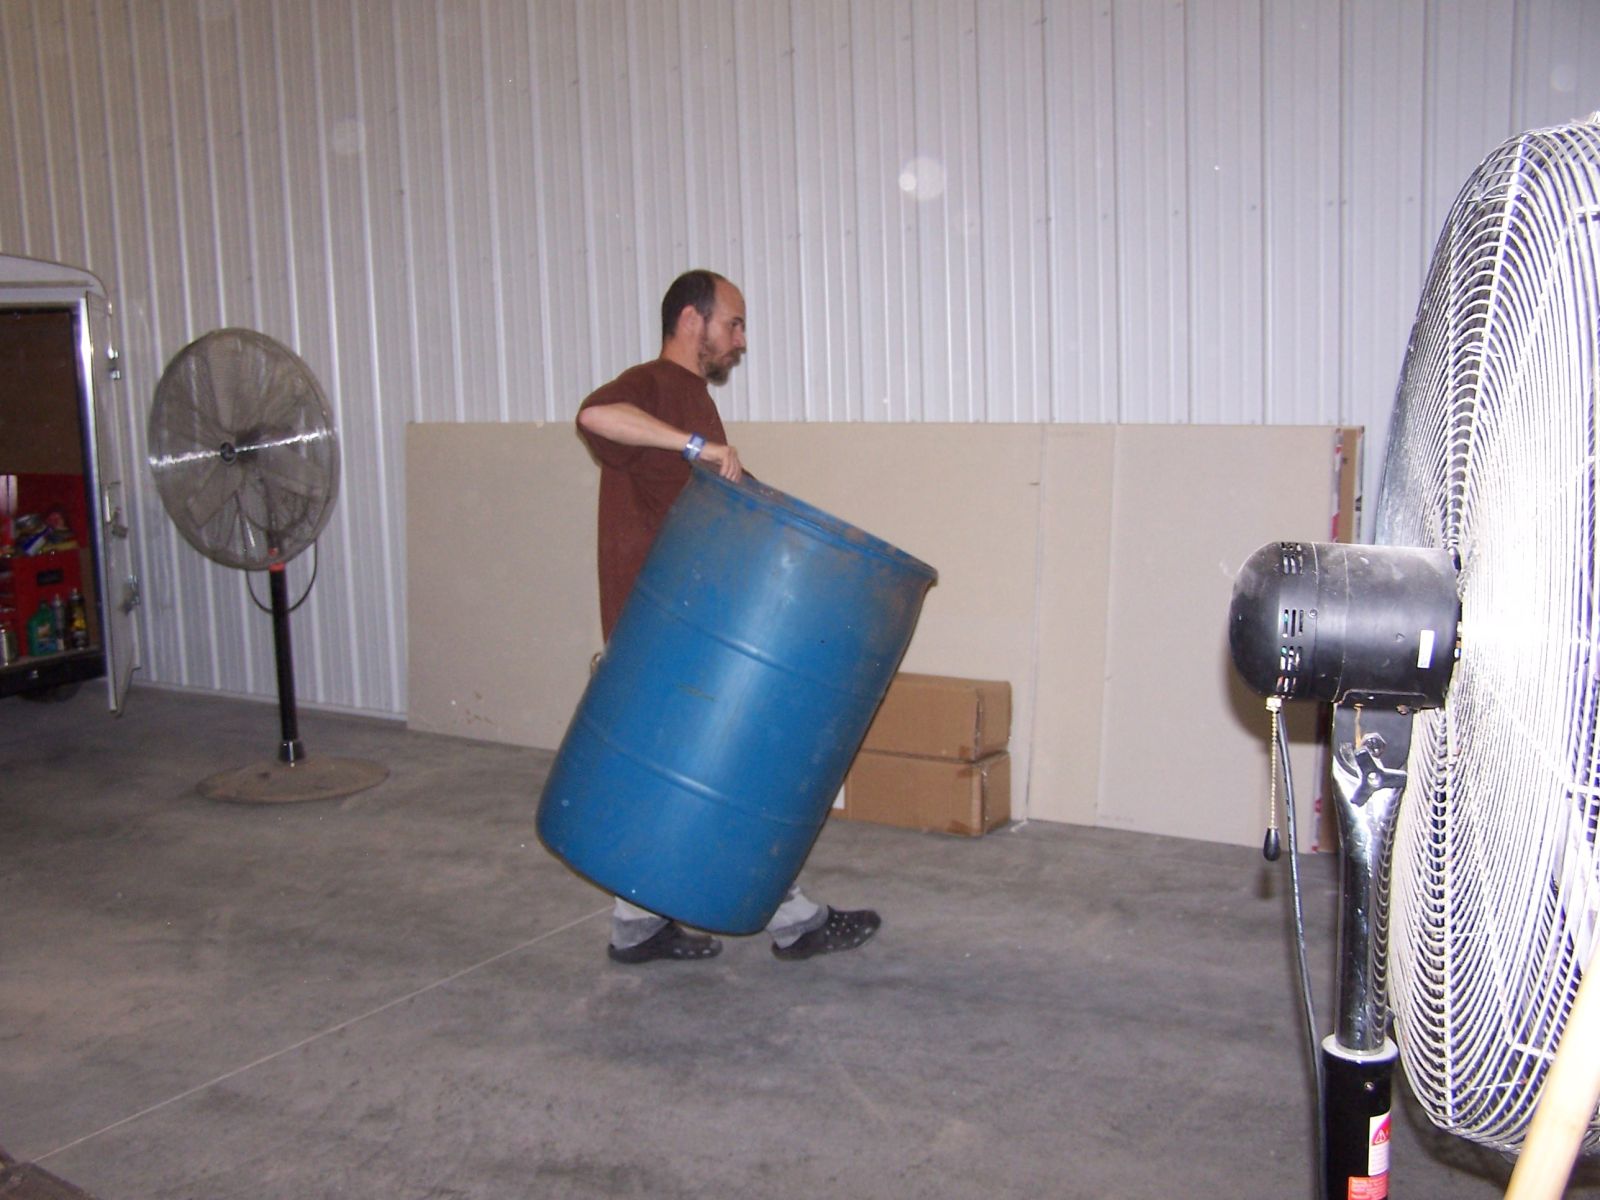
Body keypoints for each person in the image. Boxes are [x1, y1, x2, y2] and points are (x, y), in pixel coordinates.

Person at [575, 269, 881, 966]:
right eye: (732, 325)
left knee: (674, 772)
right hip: (667, 629)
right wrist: (694, 446)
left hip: (685, 622)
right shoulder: (654, 384)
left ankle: (637, 924)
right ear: (693, 321)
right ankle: (796, 922)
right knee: (730, 772)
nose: (739, 342)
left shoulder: (689, 398)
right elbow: (594, 415)